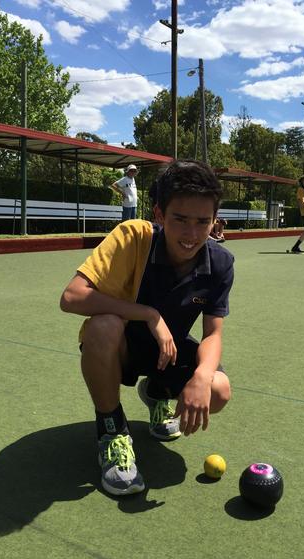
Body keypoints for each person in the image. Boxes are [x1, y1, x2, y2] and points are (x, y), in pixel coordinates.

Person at [60, 160, 234, 496]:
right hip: (122, 346)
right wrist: (149, 314)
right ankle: (112, 429)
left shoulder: (221, 263)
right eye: (180, 219)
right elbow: (72, 297)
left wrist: (201, 377)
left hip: (168, 352)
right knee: (103, 326)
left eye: (202, 222)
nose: (191, 234)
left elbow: (213, 334)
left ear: (215, 221)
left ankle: (157, 393)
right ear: (159, 214)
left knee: (218, 390)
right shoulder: (133, 237)